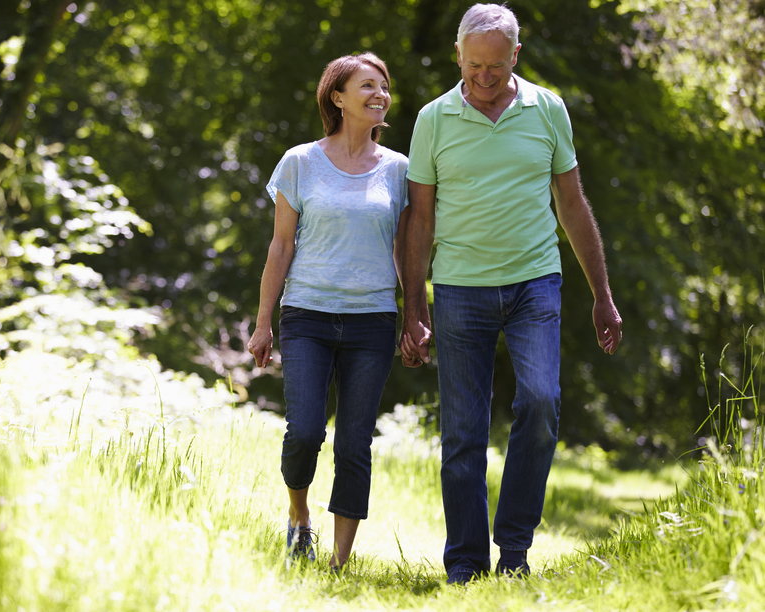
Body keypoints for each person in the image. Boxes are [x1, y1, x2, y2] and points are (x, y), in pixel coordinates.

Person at [400, 3, 623, 583]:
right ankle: (466, 565)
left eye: (495, 66)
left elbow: (571, 205)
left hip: (534, 284)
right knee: (463, 433)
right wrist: (414, 307)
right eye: (473, 65)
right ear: (458, 56)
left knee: (542, 404)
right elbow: (419, 221)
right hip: (458, 289)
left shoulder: (547, 109)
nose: (484, 77)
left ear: (515, 56)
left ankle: (515, 550)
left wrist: (601, 292)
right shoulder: (433, 119)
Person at [247, 52, 411, 571]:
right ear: (337, 97)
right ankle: (299, 518)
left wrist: (414, 317)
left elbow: (408, 251)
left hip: (373, 321)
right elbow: (280, 247)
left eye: (383, 86)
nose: (379, 94)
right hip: (307, 315)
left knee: (355, 442)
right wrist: (262, 323)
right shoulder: (300, 162)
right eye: (367, 85)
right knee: (305, 432)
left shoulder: (400, 171)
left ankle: (339, 565)